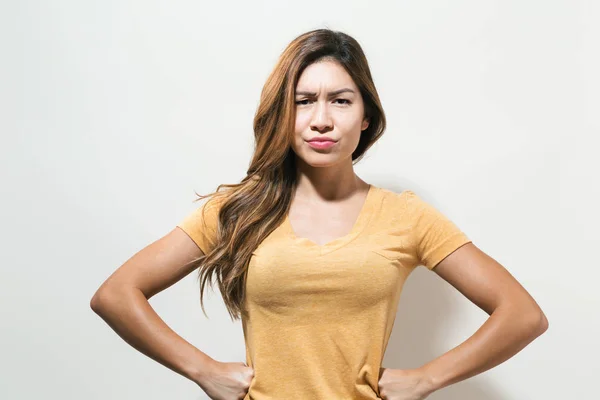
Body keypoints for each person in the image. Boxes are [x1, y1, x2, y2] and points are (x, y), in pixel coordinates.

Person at [90, 28, 548, 400]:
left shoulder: (406, 216)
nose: (322, 120)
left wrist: (428, 378)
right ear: (282, 113)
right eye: (304, 101)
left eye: (341, 101)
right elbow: (116, 294)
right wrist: (203, 370)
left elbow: (522, 314)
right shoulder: (238, 211)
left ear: (366, 116)